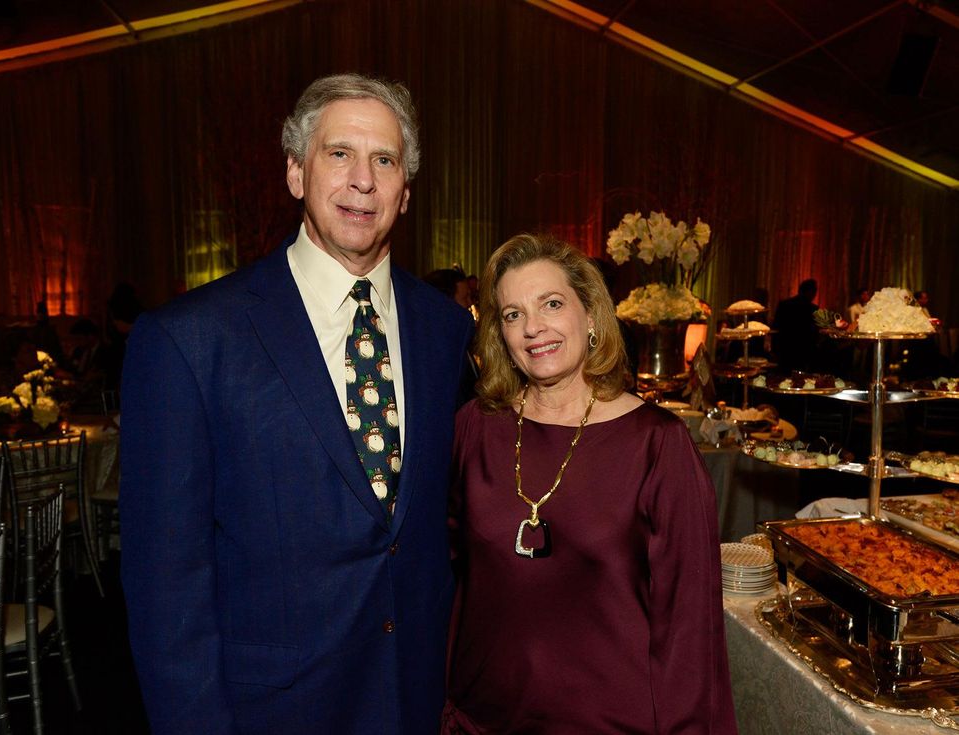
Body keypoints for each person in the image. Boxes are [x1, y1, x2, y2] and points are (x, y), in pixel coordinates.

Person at [119, 73, 475, 734]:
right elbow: (166, 593)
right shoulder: (190, 341)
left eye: (385, 159)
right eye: (339, 153)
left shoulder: (444, 330)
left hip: (416, 701)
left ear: (405, 191)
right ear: (295, 173)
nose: (362, 179)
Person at [444, 234, 737, 734]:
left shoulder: (658, 446)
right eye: (512, 314)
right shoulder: (476, 426)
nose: (533, 328)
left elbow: (690, 632)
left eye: (551, 304)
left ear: (592, 316)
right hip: (481, 720)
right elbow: (450, 581)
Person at [772, 278, 820, 372]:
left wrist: (775, 350)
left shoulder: (784, 305)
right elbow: (814, 334)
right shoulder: (813, 310)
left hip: (785, 351)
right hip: (804, 354)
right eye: (814, 291)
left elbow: (776, 329)